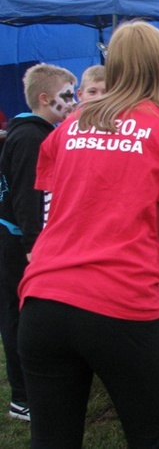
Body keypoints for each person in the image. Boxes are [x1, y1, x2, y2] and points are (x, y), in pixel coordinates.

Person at [17, 21, 159, 447]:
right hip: (119, 307)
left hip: (43, 303)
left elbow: (51, 215)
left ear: (114, 64)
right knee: (155, 436)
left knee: (51, 439)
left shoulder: (68, 126)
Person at [0, 63, 76, 422]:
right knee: (17, 316)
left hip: (20, 238)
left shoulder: (34, 132)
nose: (73, 102)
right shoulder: (31, 138)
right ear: (45, 99)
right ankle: (22, 398)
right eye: (67, 96)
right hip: (17, 243)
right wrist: (35, 249)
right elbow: (27, 200)